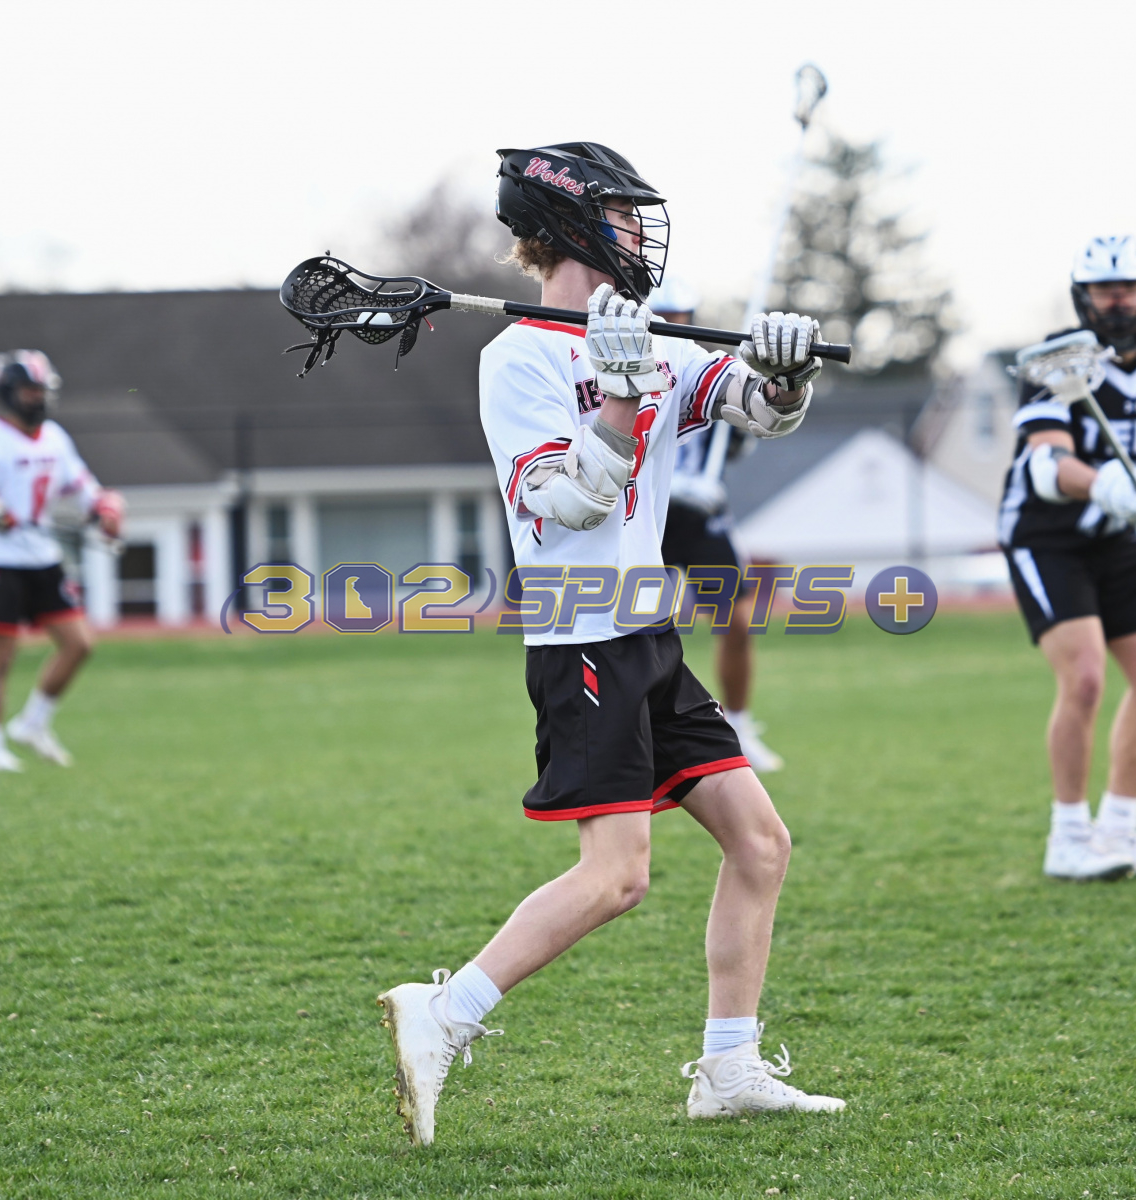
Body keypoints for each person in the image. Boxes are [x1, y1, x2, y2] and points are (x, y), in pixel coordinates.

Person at [377, 142, 844, 1147]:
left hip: (646, 633)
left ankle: (728, 1069)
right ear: (571, 225)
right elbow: (569, 504)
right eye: (623, 216)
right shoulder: (518, 361)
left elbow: (756, 410)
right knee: (617, 876)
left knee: (759, 843)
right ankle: (443, 1013)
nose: (639, 232)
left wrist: (785, 372)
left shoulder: (655, 337)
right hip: (581, 636)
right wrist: (620, 397)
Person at [998, 236, 1136, 881]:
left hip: (1116, 535)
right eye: (1104, 290)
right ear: (1083, 296)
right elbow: (1047, 464)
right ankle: (1068, 837)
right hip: (1046, 534)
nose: (1118, 301)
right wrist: (1108, 486)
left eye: (1129, 288)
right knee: (1086, 677)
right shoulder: (1057, 359)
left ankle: (1119, 830)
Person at [0, 350, 124, 773]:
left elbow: (83, 487)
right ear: (8, 392)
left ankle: (32, 724)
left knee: (79, 645)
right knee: (1, 658)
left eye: (41, 390)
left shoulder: (54, 438)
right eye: (29, 390)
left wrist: (104, 509)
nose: (37, 397)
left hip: (43, 557)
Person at [649, 278, 785, 772]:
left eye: (681, 317)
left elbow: (745, 431)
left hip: (702, 514)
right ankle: (640, 729)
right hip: (648, 512)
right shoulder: (622, 364)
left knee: (737, 622)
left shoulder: (700, 368)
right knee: (637, 627)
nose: (674, 325)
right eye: (666, 317)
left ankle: (739, 726)